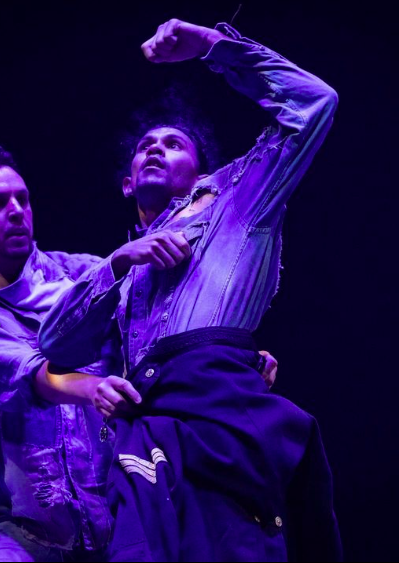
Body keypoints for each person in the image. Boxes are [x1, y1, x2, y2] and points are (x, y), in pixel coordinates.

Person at [38, 18, 342, 562]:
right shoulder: (123, 270)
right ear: (128, 183)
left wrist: (210, 45)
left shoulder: (238, 198)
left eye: (174, 145)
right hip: (147, 431)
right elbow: (55, 345)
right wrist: (118, 262)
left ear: (201, 171)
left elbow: (315, 104)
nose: (156, 150)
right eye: (145, 147)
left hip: (218, 415)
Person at [0, 144, 281, 561]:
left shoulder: (84, 275)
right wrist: (93, 388)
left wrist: (230, 360)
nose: (16, 211)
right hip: (30, 532)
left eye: (23, 199)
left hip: (125, 515)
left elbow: (157, 337)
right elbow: (26, 374)